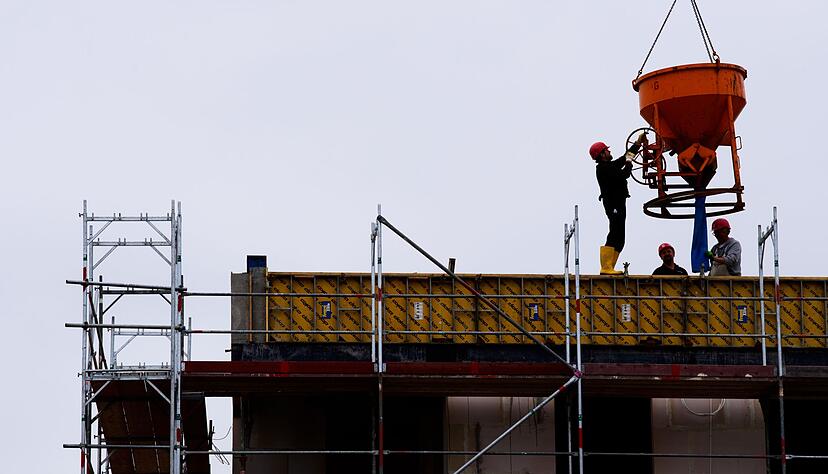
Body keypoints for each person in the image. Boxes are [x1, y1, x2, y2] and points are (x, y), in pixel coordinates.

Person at [590, 133, 647, 274]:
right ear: (602, 154)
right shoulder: (603, 169)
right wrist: (628, 162)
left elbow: (623, 158)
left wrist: (637, 144)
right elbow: (624, 174)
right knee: (615, 232)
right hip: (614, 204)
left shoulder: (608, 166)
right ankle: (606, 267)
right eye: (607, 150)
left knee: (620, 237)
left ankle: (610, 267)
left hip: (619, 202)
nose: (609, 151)